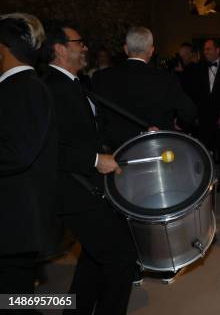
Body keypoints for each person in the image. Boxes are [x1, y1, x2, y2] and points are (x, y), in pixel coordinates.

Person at [43, 21, 136, 314]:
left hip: (90, 186)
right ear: (59, 49)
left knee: (94, 258)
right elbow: (49, 148)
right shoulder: (50, 89)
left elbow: (94, 131)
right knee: (121, 259)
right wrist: (95, 160)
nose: (85, 47)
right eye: (78, 42)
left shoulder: (77, 83)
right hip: (73, 190)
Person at [0, 14, 60, 295]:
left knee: (13, 302)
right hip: (15, 225)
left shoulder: (24, 88)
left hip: (15, 226)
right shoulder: (21, 87)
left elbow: (17, 152)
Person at [92, 26, 196, 151]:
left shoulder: (101, 77)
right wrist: (179, 124)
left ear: (125, 49)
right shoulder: (165, 79)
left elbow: (96, 116)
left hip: (117, 151)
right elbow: (189, 111)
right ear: (151, 51)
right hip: (156, 148)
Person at [183, 39, 220, 193]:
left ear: (218, 50)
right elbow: (194, 93)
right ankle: (209, 179)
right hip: (205, 117)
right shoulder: (199, 67)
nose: (205, 52)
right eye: (204, 50)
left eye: (208, 49)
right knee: (205, 150)